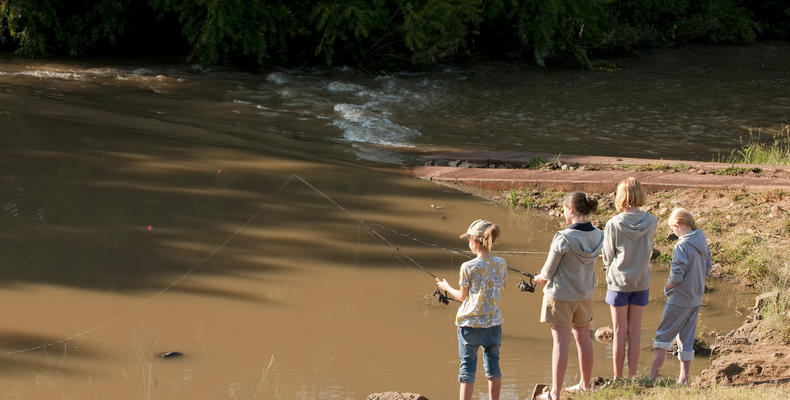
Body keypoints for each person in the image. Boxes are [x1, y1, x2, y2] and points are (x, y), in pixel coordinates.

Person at [534, 192, 603, 400]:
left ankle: (554, 393)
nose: (564, 213)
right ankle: (585, 385)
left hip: (561, 296)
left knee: (561, 342)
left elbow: (548, 271)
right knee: (584, 339)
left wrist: (539, 278)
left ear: (571, 209)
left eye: (564, 209)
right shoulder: (598, 234)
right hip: (584, 295)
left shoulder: (563, 237)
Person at [436, 219, 507, 400]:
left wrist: (445, 286)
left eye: (469, 240)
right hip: (493, 324)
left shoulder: (467, 267)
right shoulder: (501, 263)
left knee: (467, 368)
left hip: (469, 326)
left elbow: (461, 296)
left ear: (475, 242)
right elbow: (502, 287)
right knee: (493, 368)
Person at [602, 177, 657, 379]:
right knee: (635, 331)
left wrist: (608, 269)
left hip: (618, 283)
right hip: (641, 281)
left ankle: (617, 378)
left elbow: (607, 255)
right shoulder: (652, 221)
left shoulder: (613, 224)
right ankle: (633, 376)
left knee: (618, 332)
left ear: (621, 196)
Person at [648, 208, 712, 385]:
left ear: (679, 226)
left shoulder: (682, 245)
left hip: (680, 297)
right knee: (687, 337)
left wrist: (667, 287)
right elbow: (708, 266)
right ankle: (684, 378)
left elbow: (677, 274)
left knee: (663, 336)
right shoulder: (701, 241)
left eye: (673, 229)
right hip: (696, 297)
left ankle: (653, 376)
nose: (673, 233)